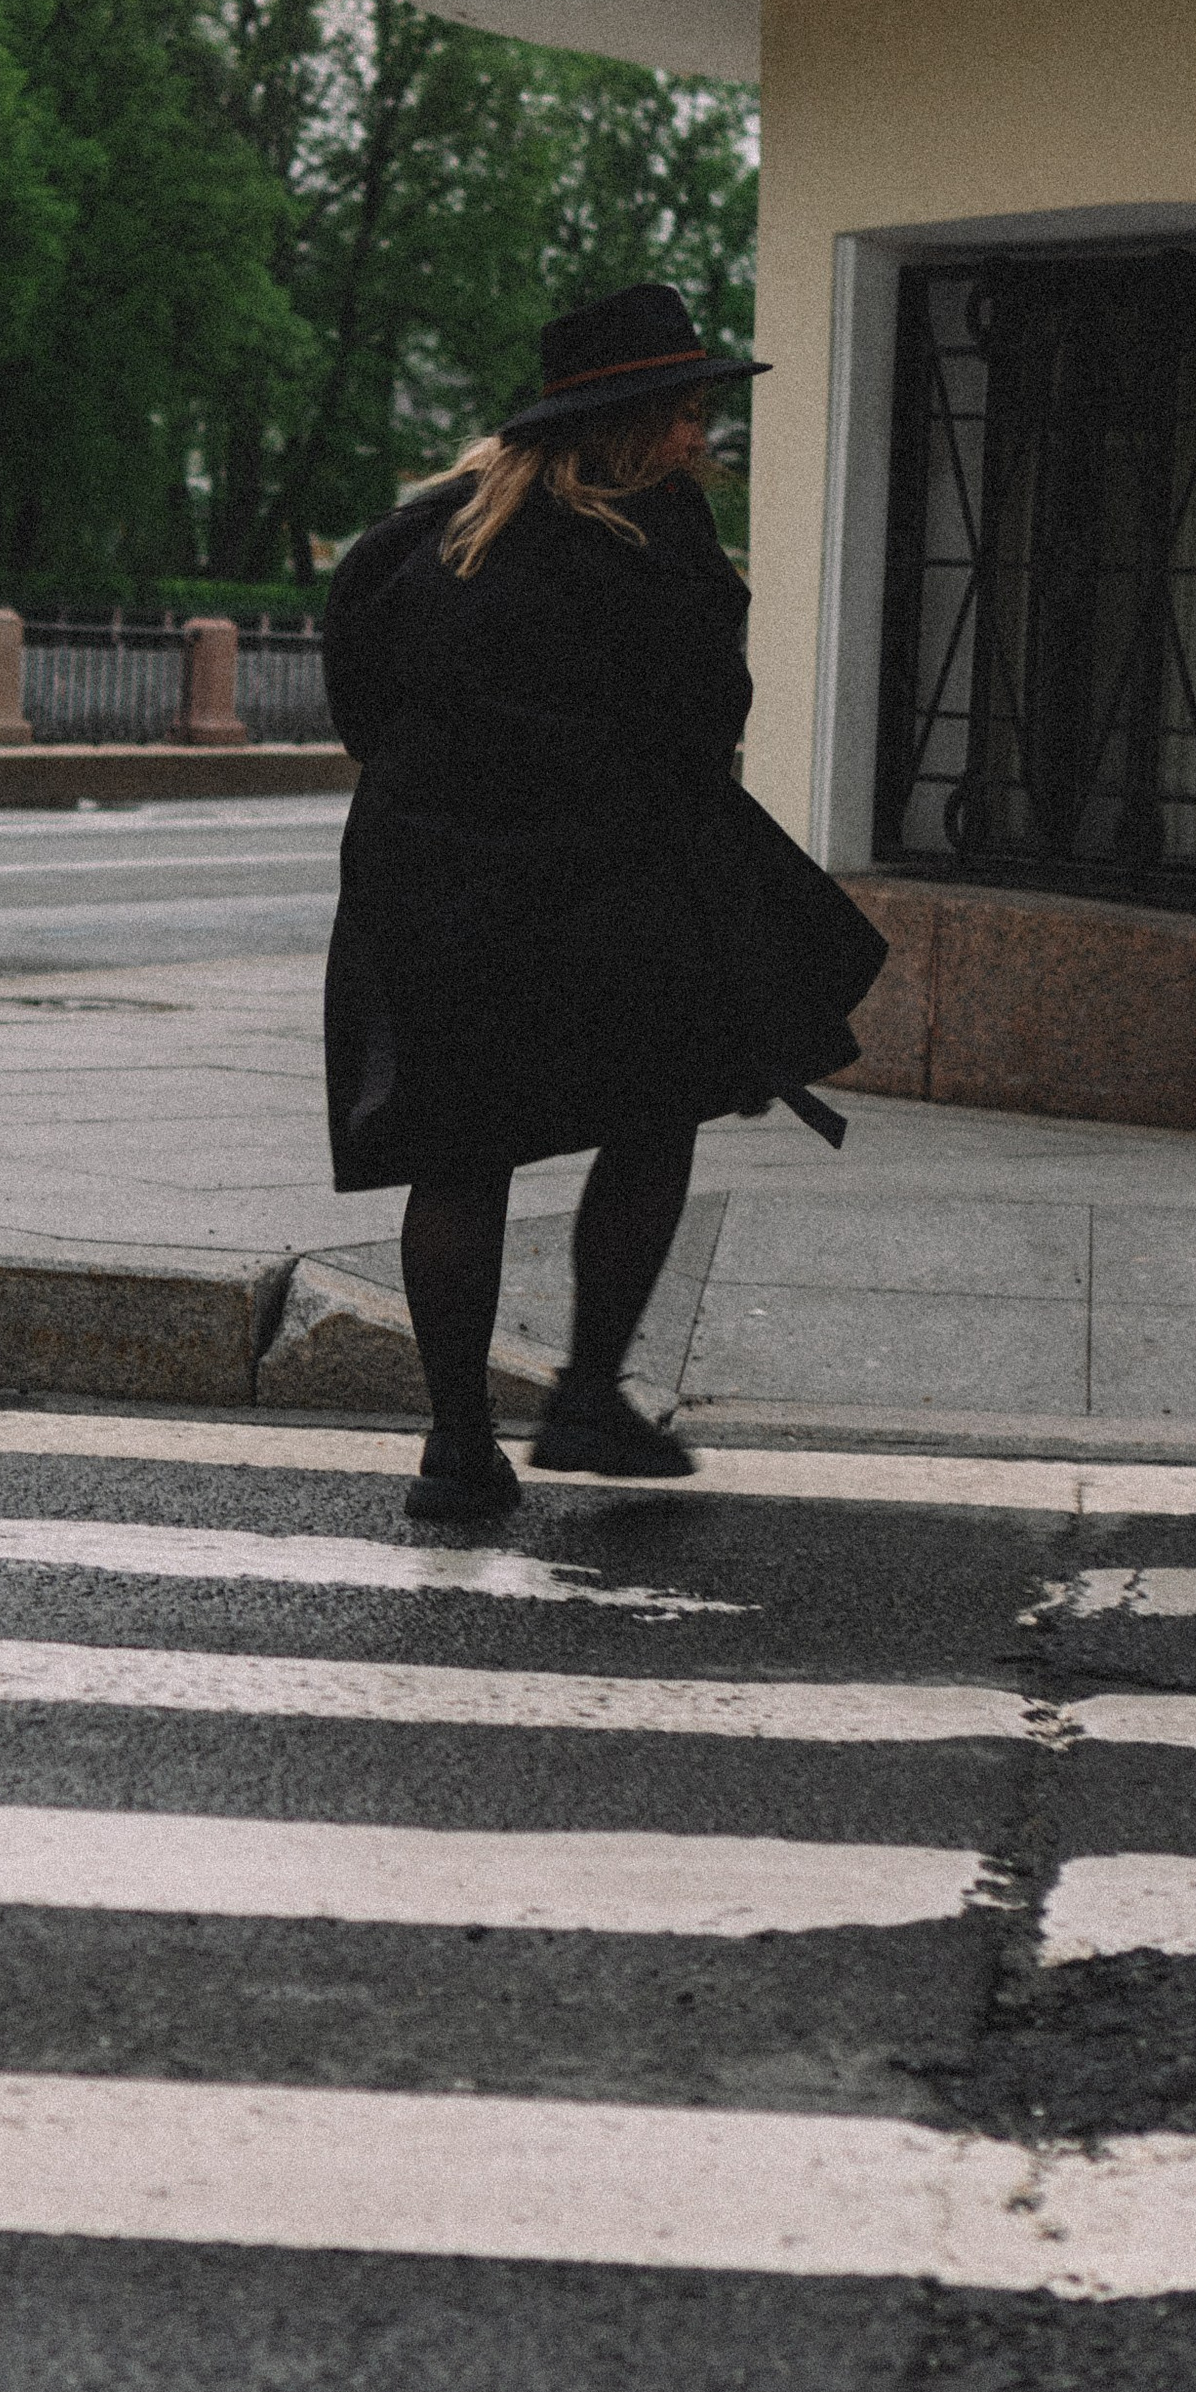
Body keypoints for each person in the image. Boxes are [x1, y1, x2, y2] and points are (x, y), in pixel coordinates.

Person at [321, 281, 887, 1522]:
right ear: (619, 426)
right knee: (655, 1104)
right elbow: (703, 726)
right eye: (681, 414)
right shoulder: (654, 542)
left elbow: (362, 716)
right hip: (596, 879)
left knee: (456, 1150)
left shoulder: (415, 540)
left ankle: (459, 1452)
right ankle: (582, 1395)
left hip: (428, 881)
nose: (697, 438)